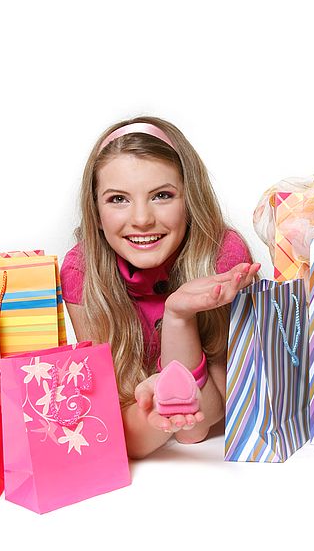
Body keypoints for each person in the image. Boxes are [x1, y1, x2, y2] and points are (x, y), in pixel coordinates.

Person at [60, 116, 260, 459]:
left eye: (162, 195)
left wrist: (179, 314)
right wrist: (159, 415)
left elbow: (203, 424)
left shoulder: (221, 257)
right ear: (95, 211)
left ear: (189, 200)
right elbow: (119, 435)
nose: (141, 219)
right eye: (118, 199)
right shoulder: (83, 271)